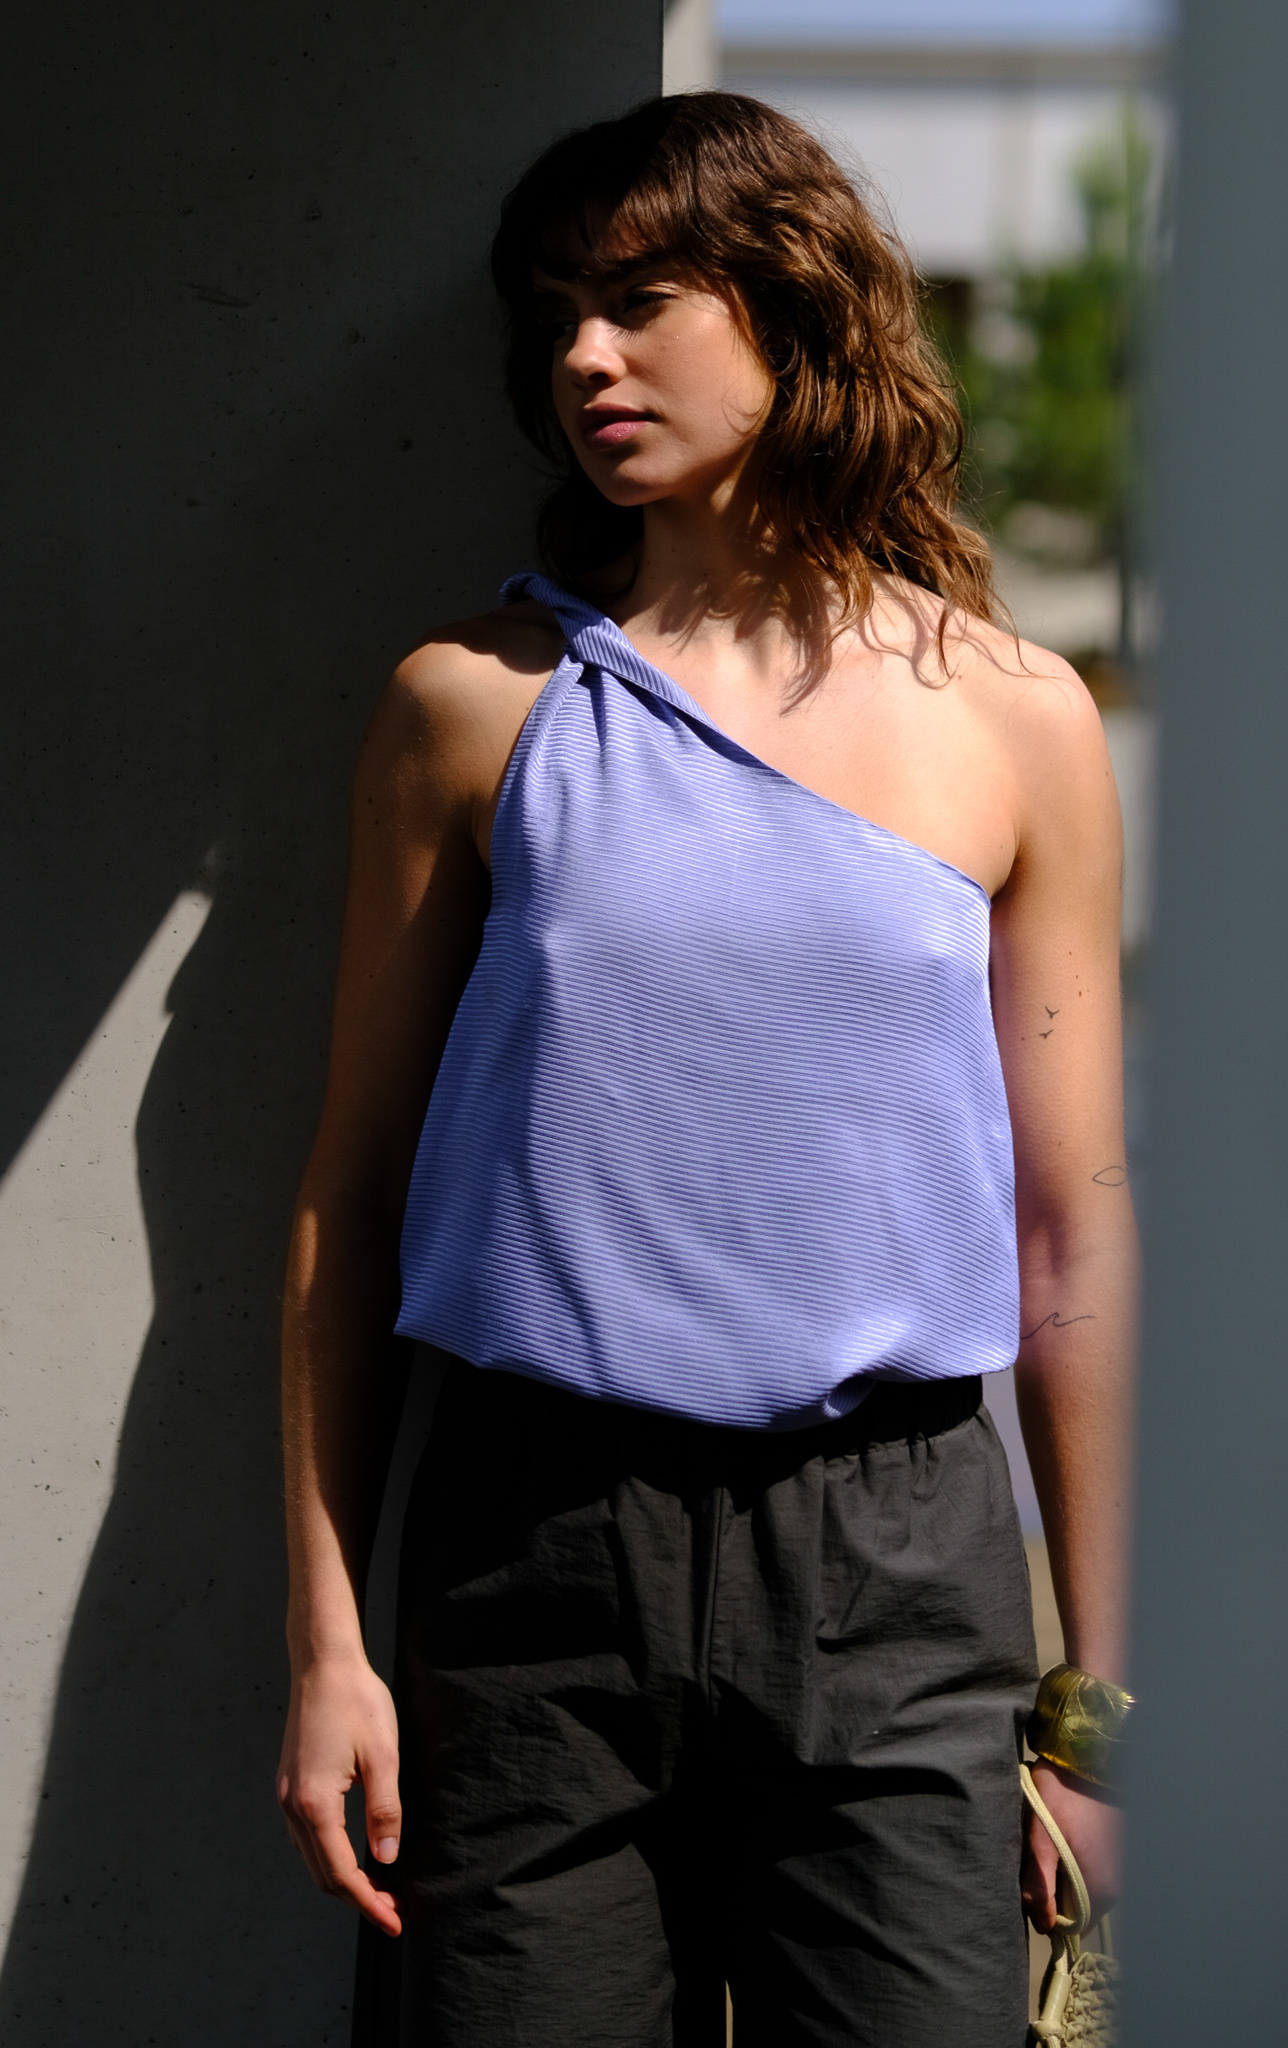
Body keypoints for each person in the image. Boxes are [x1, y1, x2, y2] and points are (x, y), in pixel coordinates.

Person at [276, 92, 1136, 2047]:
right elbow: (353, 1190)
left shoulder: (1016, 722)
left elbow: (1071, 1238)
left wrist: (1103, 1712)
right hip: (531, 1563)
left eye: (639, 300)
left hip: (901, 1560)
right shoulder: (469, 708)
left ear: (791, 302)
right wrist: (329, 1639)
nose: (583, 357)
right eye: (553, 318)